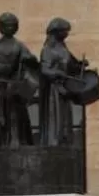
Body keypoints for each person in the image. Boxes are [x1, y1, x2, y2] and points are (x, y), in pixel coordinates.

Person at [0, 13, 35, 150]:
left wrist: (28, 63)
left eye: (12, 25)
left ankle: (16, 143)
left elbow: (30, 65)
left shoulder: (20, 46)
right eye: (6, 25)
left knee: (15, 119)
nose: (9, 27)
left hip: (14, 89)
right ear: (1, 27)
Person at [37, 17, 86, 148]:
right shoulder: (48, 50)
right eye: (64, 31)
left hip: (64, 89)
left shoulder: (63, 49)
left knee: (65, 118)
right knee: (56, 119)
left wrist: (80, 65)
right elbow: (44, 70)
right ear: (56, 32)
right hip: (53, 91)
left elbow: (71, 65)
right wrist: (57, 73)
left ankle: (65, 141)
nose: (67, 34)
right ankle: (54, 143)